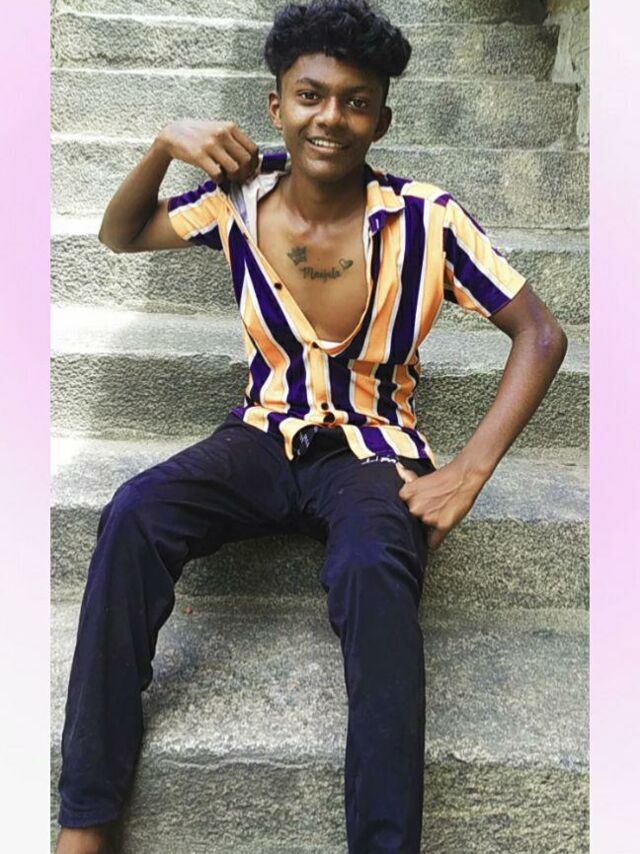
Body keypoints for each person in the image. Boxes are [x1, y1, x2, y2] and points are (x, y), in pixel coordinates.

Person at [54, 1, 568, 852]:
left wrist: (468, 471)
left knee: (373, 570)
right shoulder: (236, 197)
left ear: (381, 119)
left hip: (373, 452)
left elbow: (540, 334)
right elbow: (121, 233)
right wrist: (163, 145)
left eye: (356, 101)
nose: (331, 117)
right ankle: (86, 820)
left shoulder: (428, 218)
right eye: (310, 95)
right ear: (277, 106)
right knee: (133, 513)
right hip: (260, 436)